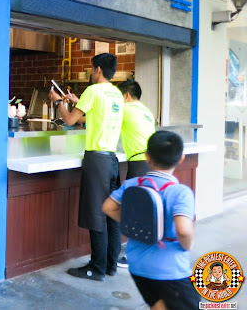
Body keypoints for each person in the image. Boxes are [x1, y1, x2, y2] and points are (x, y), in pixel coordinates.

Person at [102, 131, 198, 309]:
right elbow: (184, 230)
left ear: (147, 157)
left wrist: (136, 222)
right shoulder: (180, 192)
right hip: (170, 269)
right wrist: (188, 245)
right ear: (181, 159)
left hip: (137, 265)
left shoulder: (132, 184)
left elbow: (108, 207)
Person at [50, 53, 124, 281]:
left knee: (96, 213)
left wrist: (59, 102)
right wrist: (76, 101)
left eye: (92, 69)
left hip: (96, 161)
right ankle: (110, 265)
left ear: (98, 69)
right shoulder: (116, 93)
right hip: (111, 160)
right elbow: (90, 118)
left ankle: (96, 268)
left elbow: (70, 121)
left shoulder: (93, 91)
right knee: (111, 213)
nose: (92, 72)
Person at [116, 79, 156, 269]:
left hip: (139, 163)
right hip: (150, 161)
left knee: (133, 210)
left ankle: (133, 256)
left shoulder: (125, 109)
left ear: (126, 96)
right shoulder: (146, 111)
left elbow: (102, 117)